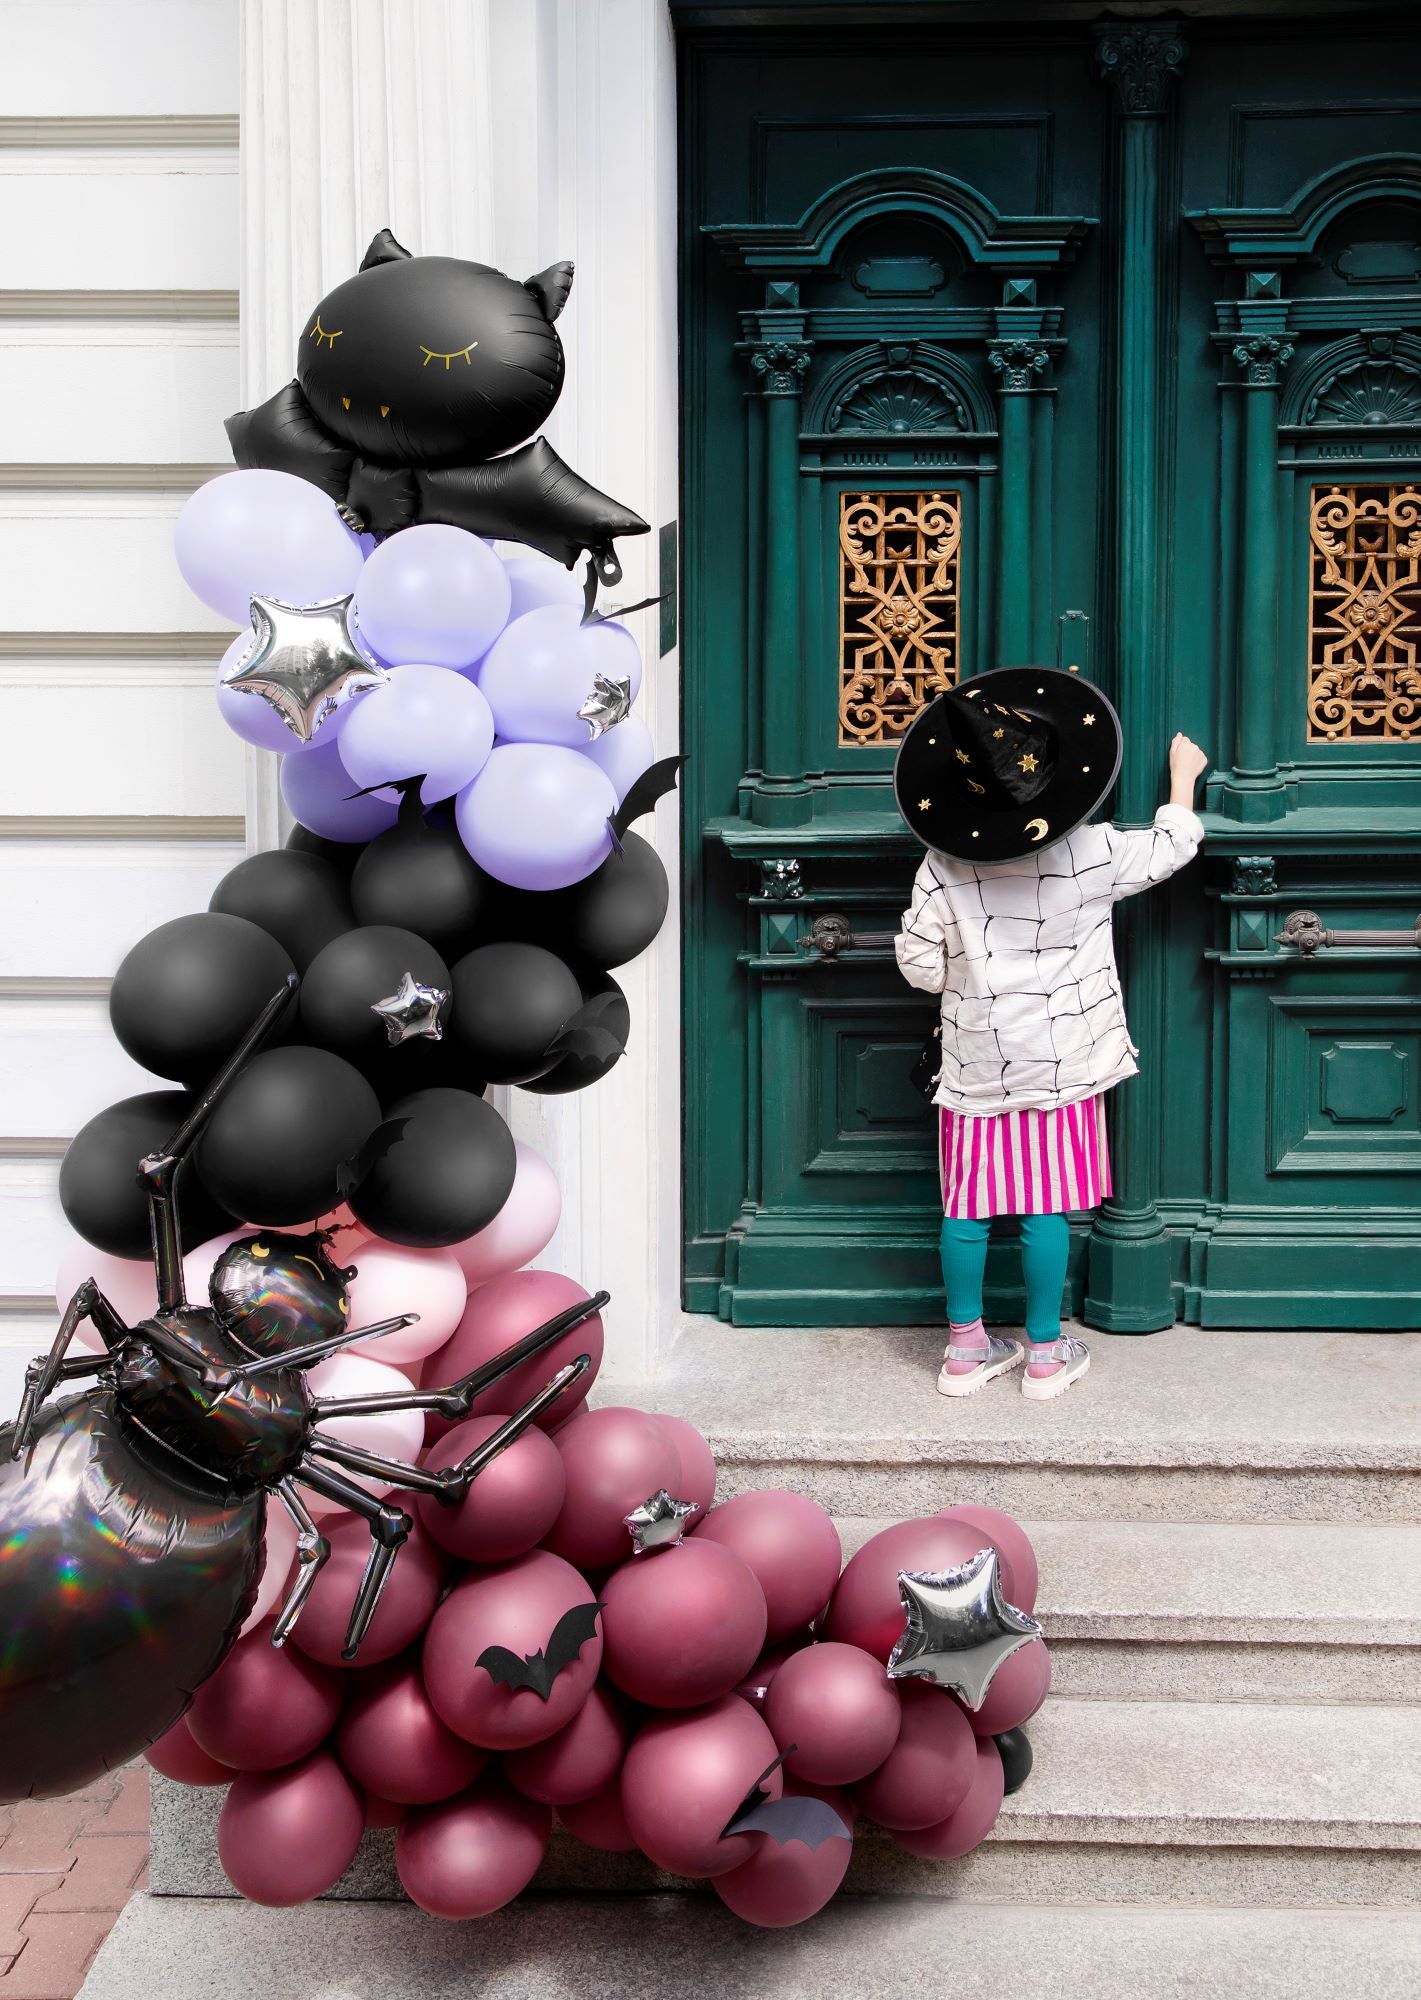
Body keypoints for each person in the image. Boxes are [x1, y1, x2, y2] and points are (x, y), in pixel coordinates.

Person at [891, 667, 1207, 1401]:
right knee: (1044, 1206)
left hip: (977, 1057)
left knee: (966, 1207)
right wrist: (1182, 780)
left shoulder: (943, 863)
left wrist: (962, 977)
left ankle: (966, 1350)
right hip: (1065, 1059)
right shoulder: (1089, 851)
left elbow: (917, 965)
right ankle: (1042, 1353)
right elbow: (1171, 847)